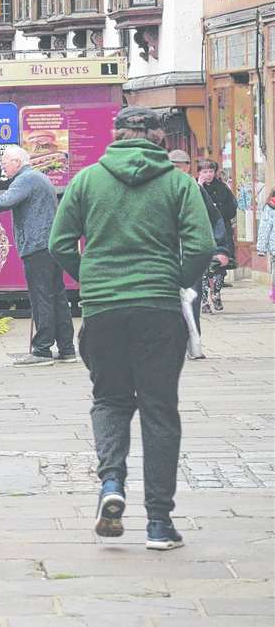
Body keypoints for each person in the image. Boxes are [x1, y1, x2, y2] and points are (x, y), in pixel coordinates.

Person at [48, 106, 214, 550]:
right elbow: (201, 245)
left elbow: (58, 242)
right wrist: (173, 278)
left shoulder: (86, 181)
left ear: (116, 136)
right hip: (158, 309)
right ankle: (159, 523)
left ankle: (111, 485)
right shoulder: (179, 183)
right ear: (159, 139)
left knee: (109, 399)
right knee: (160, 409)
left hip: (103, 310)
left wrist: (91, 278)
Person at [0, 144, 71, 363]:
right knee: (57, 297)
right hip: (49, 245)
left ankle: (42, 350)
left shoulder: (25, 179)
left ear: (17, 162)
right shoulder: (39, 178)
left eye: (4, 164)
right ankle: (67, 349)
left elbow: (4, 201)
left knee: (42, 299)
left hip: (37, 246)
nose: (2, 168)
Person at [195, 160, 236, 314]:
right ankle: (204, 299)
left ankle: (216, 293)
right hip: (202, 232)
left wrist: (217, 211)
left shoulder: (223, 188)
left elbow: (232, 208)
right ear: (199, 173)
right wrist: (199, 187)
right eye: (204, 171)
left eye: (211, 171)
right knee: (204, 266)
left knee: (221, 264)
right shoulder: (194, 187)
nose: (208, 174)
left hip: (221, 231)